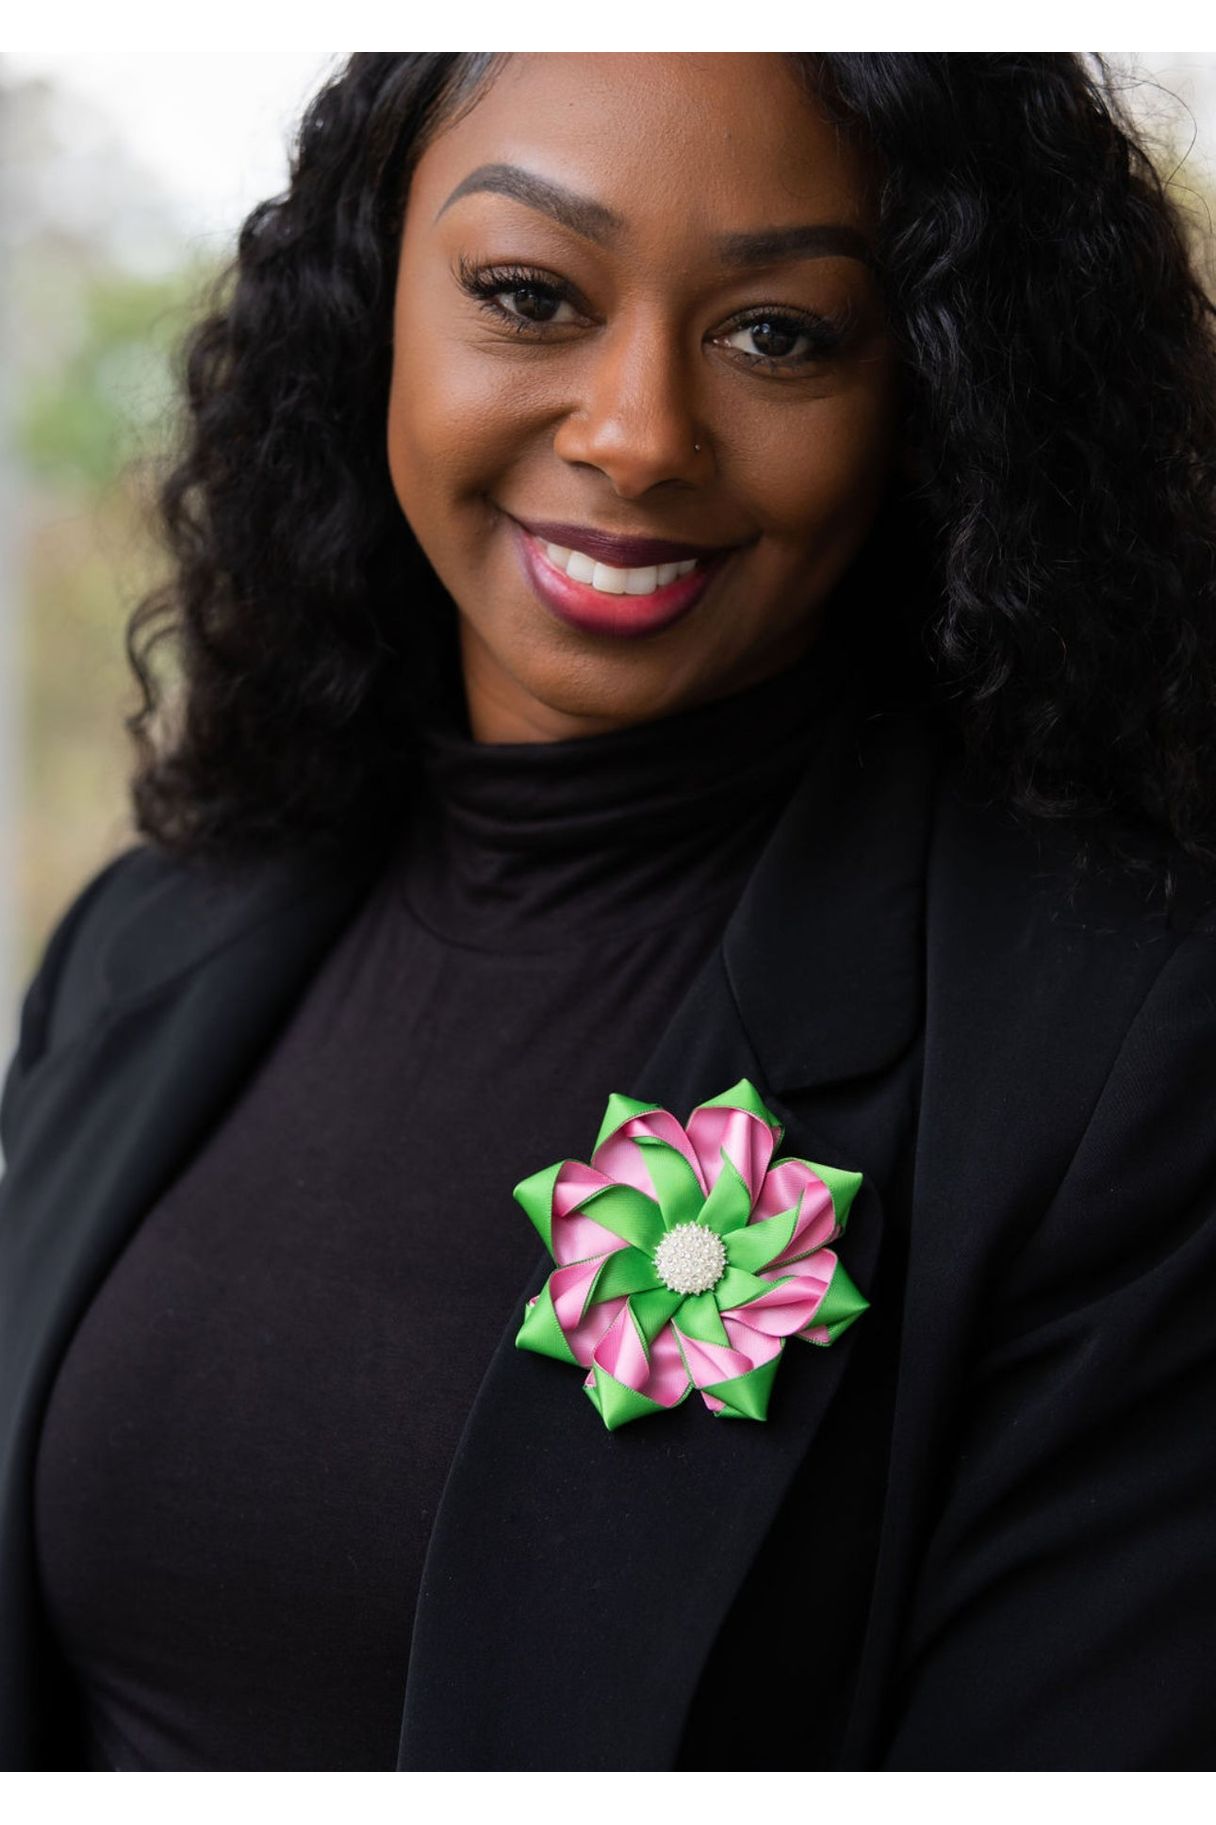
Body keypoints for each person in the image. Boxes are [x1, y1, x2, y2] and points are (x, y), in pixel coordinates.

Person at [1, 50, 1214, 1774]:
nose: (639, 434)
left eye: (778, 333)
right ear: (373, 302)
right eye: (528, 295)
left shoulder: (1123, 1060)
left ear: (937, 382)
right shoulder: (146, 936)